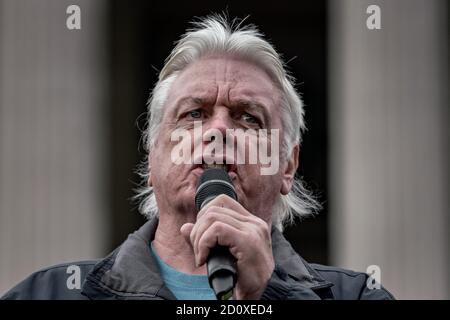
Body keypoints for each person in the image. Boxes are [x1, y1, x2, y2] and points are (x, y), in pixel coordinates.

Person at [2, 15, 394, 300]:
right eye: (193, 114)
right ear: (153, 155)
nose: (218, 130)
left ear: (287, 165)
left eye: (248, 117)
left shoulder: (358, 295)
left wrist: (269, 298)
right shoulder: (46, 294)